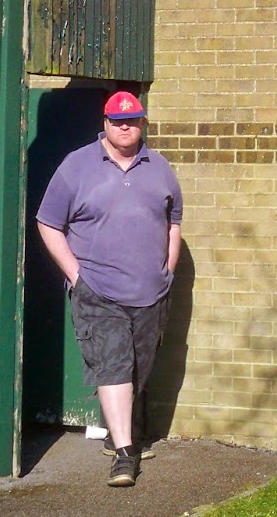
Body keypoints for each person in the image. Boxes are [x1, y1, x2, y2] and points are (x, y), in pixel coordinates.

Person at [37, 90, 182, 488]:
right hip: (97, 289)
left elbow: (174, 222)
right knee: (114, 365)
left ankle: (120, 435)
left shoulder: (160, 167)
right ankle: (123, 454)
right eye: (117, 120)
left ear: (142, 123)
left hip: (151, 290)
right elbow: (48, 223)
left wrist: (166, 270)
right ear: (104, 122)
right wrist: (76, 274)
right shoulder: (76, 166)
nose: (124, 126)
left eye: (132, 120)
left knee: (139, 366)